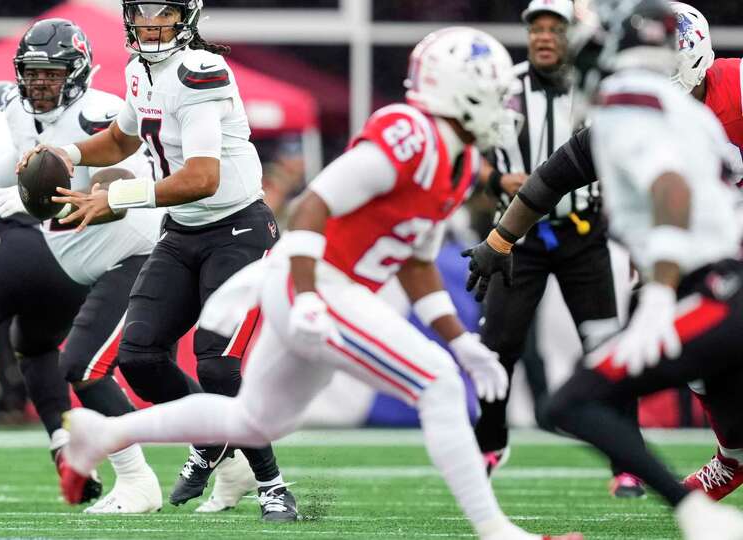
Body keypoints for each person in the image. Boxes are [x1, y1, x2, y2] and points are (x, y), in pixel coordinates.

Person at [56, 26, 582, 540]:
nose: (503, 107)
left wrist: (460, 338)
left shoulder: (461, 162)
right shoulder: (409, 133)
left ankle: (106, 433)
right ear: (459, 91)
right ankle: (497, 531)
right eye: (494, 94)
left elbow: (416, 263)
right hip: (319, 285)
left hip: (319, 286)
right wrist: (307, 297)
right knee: (438, 384)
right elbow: (315, 202)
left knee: (251, 419)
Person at [462, 1, 743, 537]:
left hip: (712, 285)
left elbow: (670, 187)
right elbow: (550, 179)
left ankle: (701, 509)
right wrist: (498, 240)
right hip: (709, 277)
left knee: (573, 402)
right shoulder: (672, 109)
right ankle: (729, 462)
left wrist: (661, 293)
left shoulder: (634, 104)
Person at [0, 19, 188, 515]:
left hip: (139, 249)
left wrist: (62, 198)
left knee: (84, 366)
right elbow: (11, 163)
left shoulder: (98, 110)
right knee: (145, 369)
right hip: (93, 259)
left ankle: (143, 479)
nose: (39, 84)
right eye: (32, 73)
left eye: (51, 74)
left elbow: (137, 172)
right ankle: (233, 452)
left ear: (77, 73)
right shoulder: (17, 110)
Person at [30, 1, 293, 520]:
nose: (151, 25)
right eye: (143, 15)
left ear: (185, 19)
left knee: (217, 362)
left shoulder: (201, 72)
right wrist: (68, 154)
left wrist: (118, 199)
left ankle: (272, 484)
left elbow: (202, 178)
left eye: (163, 15)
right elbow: (122, 139)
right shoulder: (139, 70)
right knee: (139, 358)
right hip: (183, 232)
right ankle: (212, 437)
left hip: (237, 230)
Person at [474, 0, 643, 497]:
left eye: (556, 28)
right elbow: (471, 157)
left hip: (583, 235)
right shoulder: (501, 87)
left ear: (574, 35)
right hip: (516, 240)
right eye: (537, 28)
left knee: (608, 348)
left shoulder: (597, 88)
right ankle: (490, 441)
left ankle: (625, 463)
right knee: (497, 349)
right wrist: (498, 178)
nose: (545, 37)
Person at [668, 0, 743, 501]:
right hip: (706, 241)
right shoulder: (644, 110)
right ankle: (733, 455)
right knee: (689, 345)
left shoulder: (738, 87)